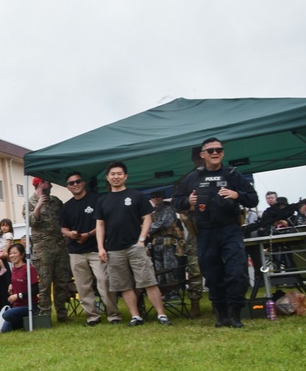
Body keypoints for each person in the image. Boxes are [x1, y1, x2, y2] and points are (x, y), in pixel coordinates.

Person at [173, 138, 259, 328]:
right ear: (202, 154)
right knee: (212, 274)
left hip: (230, 229)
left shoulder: (232, 174)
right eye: (210, 150)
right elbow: (176, 202)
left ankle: (235, 314)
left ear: (223, 153)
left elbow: (253, 199)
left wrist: (237, 195)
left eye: (218, 150)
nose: (214, 153)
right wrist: (188, 201)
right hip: (205, 232)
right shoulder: (192, 177)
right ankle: (221, 315)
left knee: (237, 272)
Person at [95, 162, 171, 326]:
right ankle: (136, 316)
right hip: (113, 249)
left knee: (148, 281)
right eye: (113, 174)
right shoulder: (102, 200)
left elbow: (147, 218)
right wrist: (101, 247)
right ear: (108, 178)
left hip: (135, 246)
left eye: (119, 173)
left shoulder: (136, 195)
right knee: (124, 285)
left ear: (125, 176)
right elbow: (100, 225)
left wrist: (141, 240)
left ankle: (161, 315)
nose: (116, 177)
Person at [59, 171, 122, 325]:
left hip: (96, 248)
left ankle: (113, 315)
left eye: (78, 181)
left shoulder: (97, 199)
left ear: (83, 182)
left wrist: (88, 234)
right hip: (75, 251)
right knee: (83, 286)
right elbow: (63, 228)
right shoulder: (67, 206)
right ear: (67, 187)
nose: (75, 185)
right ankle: (92, 316)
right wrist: (70, 234)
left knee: (104, 281)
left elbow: (104, 223)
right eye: (71, 183)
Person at [25, 178, 73, 322]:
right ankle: (44, 316)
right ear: (40, 183)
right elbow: (30, 222)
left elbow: (65, 219)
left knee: (62, 282)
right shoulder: (30, 203)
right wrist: (38, 207)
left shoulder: (56, 201)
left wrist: (67, 236)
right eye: (47, 182)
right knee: (44, 283)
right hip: (42, 249)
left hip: (59, 246)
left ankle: (62, 315)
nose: (51, 185)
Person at [147, 191, 187, 299]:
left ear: (162, 198)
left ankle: (174, 292)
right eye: (153, 197)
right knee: (159, 269)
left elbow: (164, 224)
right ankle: (163, 292)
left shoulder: (168, 209)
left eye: (157, 197)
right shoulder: (152, 212)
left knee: (170, 268)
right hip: (156, 244)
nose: (155, 199)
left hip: (168, 242)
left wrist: (147, 228)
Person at [0, 243, 40, 332]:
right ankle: (23, 322)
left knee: (6, 315)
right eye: (10, 253)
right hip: (17, 306)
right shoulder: (13, 269)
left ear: (22, 255)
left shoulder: (29, 269)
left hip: (29, 306)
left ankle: (30, 318)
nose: (12, 255)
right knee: (4, 330)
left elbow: (35, 290)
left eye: (15, 253)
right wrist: (11, 285)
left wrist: (18, 296)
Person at [0, 218, 15, 310]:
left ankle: (3, 268)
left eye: (6, 226)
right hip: (0, 251)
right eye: (2, 226)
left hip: (3, 252)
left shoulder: (8, 235)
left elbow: (8, 244)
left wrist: (6, 251)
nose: (4, 228)